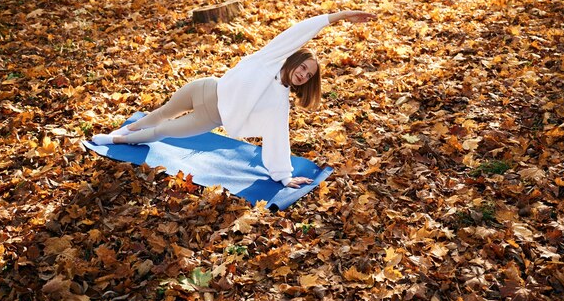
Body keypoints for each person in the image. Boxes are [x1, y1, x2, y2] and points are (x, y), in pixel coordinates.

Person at [92, 10, 377, 188]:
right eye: (302, 67)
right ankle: (125, 130)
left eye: (309, 75)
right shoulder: (270, 59)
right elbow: (298, 31)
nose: (303, 75)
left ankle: (114, 140)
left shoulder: (280, 102)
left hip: (209, 117)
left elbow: (279, 137)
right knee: (162, 112)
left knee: (162, 131)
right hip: (204, 87)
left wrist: (284, 176)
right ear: (293, 60)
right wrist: (338, 17)